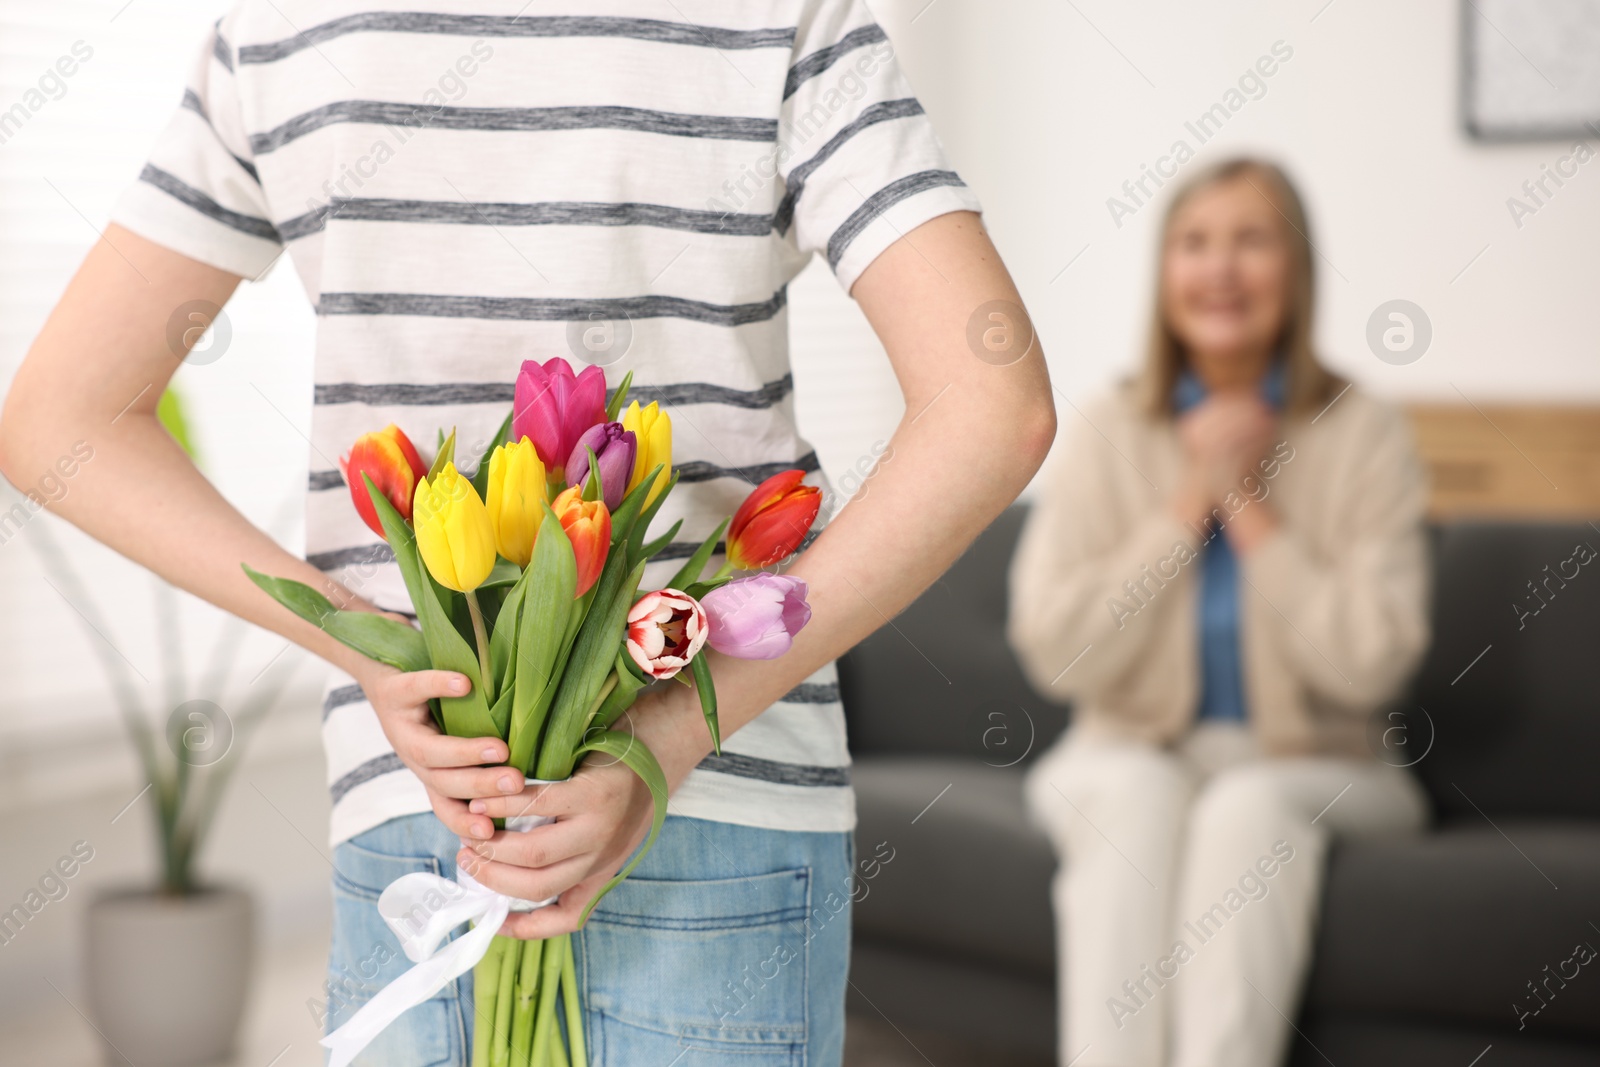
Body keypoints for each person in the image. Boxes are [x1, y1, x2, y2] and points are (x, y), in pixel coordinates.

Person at [0, 5, 1055, 1064]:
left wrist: (369, 645)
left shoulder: (283, 27)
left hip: (425, 794)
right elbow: (994, 407)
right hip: (728, 791)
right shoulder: (779, 16)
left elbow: (60, 422)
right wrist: (668, 739)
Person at [1008, 158, 1430, 1067]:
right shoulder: (1110, 430)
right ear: (1165, 275)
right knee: (1133, 795)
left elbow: (1372, 663)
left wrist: (1246, 502)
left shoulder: (1363, 432)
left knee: (1246, 805)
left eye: (1252, 239)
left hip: (1322, 761)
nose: (1221, 269)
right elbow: (1058, 652)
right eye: (1195, 243)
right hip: (1124, 747)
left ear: (1299, 268)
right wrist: (1183, 506)